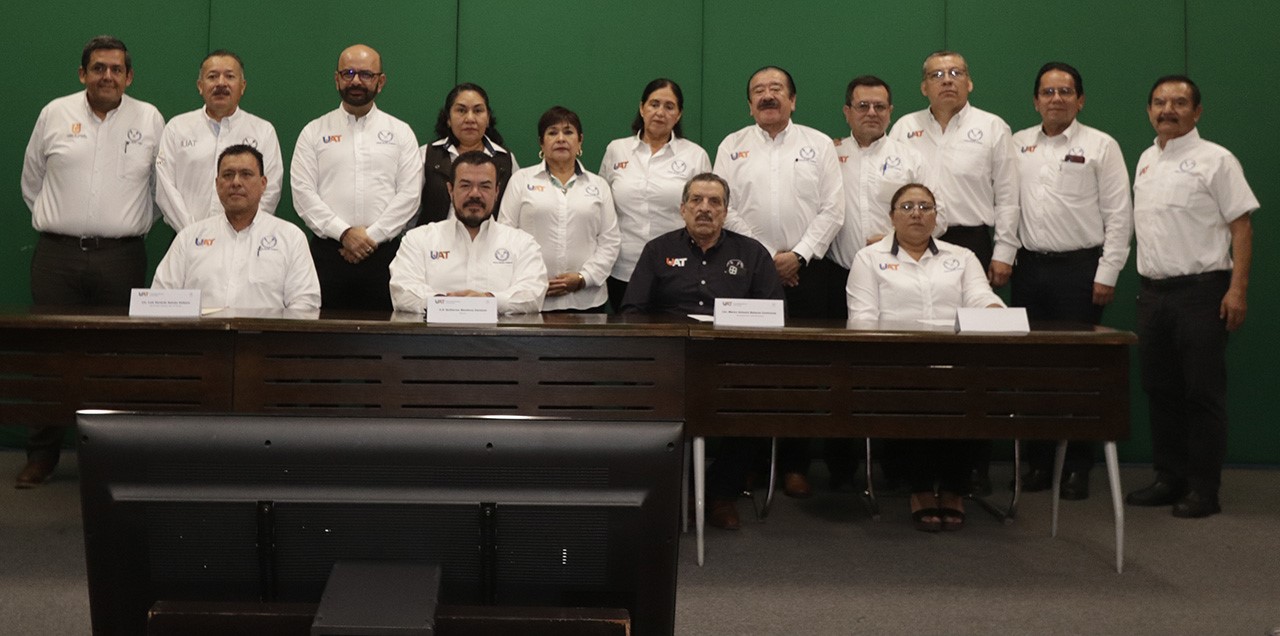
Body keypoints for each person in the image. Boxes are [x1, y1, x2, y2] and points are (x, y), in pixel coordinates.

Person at [17, 35, 164, 488]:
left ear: (129, 76)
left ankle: (111, 457)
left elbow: (160, 189)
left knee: (117, 358)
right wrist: (63, 222)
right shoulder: (54, 113)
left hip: (121, 257)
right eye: (98, 68)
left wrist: (121, 225)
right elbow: (32, 180)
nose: (107, 76)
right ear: (83, 74)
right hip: (57, 256)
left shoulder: (149, 119)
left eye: (116, 69)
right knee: (48, 356)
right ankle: (42, 456)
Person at [1125, 76, 1258, 519]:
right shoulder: (1146, 160)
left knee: (1202, 394)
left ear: (1197, 112)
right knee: (1160, 390)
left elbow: (1242, 227)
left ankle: (1204, 488)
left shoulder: (1217, 160)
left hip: (1202, 293)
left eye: (1179, 102)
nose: (1168, 110)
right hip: (1153, 294)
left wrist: (1237, 289)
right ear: (1149, 111)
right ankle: (1169, 478)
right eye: (1159, 102)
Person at [622, 172, 784, 529]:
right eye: (696, 200)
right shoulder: (658, 250)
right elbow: (633, 310)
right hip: (669, 362)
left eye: (714, 202)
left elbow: (774, 312)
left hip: (731, 362)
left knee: (754, 402)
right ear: (683, 208)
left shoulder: (752, 253)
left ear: (726, 212)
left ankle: (720, 493)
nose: (705, 208)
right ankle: (667, 494)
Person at [890, 51, 1019, 494]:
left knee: (973, 361)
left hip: (973, 243)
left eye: (956, 73)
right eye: (936, 75)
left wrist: (1004, 252)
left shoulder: (993, 127)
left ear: (969, 82)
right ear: (923, 86)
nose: (947, 80)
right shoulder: (904, 127)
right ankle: (908, 464)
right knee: (915, 354)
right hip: (912, 239)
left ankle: (971, 465)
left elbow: (1009, 196)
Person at [712, 65, 845, 498]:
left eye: (776, 89)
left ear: (793, 99)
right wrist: (767, 259)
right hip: (748, 272)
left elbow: (833, 209)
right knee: (750, 370)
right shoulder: (732, 145)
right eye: (758, 90)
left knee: (802, 370)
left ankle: (795, 463)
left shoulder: (818, 144)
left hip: (809, 271)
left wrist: (798, 255)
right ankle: (747, 463)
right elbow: (724, 207)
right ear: (749, 103)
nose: (767, 95)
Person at [847, 183, 1004, 531]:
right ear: (891, 217)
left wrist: (994, 310)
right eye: (906, 207)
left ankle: (953, 488)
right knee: (915, 390)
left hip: (955, 364)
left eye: (925, 207)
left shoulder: (961, 257)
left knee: (968, 388)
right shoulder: (869, 259)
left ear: (936, 217)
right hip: (896, 366)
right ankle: (919, 488)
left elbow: (980, 296)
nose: (916, 213)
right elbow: (862, 317)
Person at [1011, 62, 1133, 500]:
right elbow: (1007, 205)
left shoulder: (1102, 145)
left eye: (1065, 92)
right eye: (1048, 92)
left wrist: (1107, 272)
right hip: (1028, 269)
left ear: (1080, 100)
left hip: (1081, 271)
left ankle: (1078, 466)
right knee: (1032, 371)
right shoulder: (1017, 144)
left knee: (1079, 371)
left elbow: (1119, 214)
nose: (1056, 99)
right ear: (1035, 101)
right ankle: (1038, 463)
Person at [291, 43, 423, 311]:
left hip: (385, 255)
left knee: (387, 333)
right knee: (321, 332)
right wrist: (343, 233)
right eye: (348, 73)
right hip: (328, 254)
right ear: (336, 78)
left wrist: (370, 237)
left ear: (381, 82)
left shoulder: (401, 133)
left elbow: (410, 195)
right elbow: (303, 194)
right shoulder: (313, 132)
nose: (356, 81)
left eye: (366, 74)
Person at [152, 144, 319, 310]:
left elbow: (305, 304)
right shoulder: (189, 237)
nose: (236, 182)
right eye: (228, 175)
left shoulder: (291, 238)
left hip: (265, 329)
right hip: (200, 328)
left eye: (246, 174)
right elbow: (160, 300)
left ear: (263, 184)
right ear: (217, 184)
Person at [599, 78, 711, 311]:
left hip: (678, 267)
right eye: (654, 104)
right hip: (623, 267)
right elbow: (603, 208)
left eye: (669, 107)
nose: (660, 112)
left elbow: (706, 211)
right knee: (628, 330)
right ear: (642, 108)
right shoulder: (616, 150)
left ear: (678, 115)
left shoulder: (695, 155)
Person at [390, 152, 547, 315]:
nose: (475, 194)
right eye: (465, 185)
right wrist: (447, 304)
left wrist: (488, 300)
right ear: (450, 189)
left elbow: (532, 294)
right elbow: (402, 291)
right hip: (437, 332)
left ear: (496, 191)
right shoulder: (418, 240)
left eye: (485, 186)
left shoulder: (523, 243)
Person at [498, 106, 620, 312]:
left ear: (580, 141)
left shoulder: (598, 185)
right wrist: (532, 280)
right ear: (541, 142)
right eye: (552, 133)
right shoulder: (521, 180)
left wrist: (584, 278)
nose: (561, 139)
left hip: (587, 300)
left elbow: (610, 241)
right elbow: (505, 236)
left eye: (568, 132)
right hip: (532, 298)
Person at [155, 50, 283, 232]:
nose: (221, 83)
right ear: (200, 86)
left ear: (242, 86)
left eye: (229, 76)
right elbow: (165, 190)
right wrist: (194, 235)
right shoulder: (177, 128)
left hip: (248, 239)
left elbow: (270, 190)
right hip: (186, 237)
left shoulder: (263, 131)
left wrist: (242, 230)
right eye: (212, 76)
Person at [417, 83, 517, 227]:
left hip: (489, 240)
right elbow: (411, 207)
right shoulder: (427, 155)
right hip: (434, 240)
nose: (470, 119)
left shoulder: (505, 160)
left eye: (478, 111)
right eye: (461, 110)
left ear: (488, 118)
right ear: (448, 118)